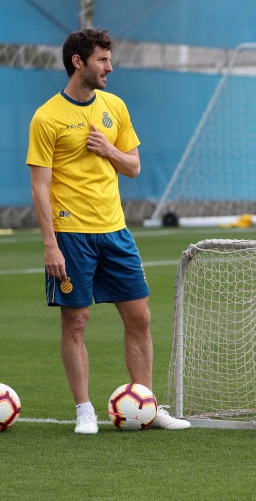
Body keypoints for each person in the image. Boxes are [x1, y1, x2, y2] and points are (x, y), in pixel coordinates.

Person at [26, 29, 190, 434]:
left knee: (140, 318)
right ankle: (84, 409)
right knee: (77, 321)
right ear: (78, 62)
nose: (110, 68)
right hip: (71, 235)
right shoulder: (47, 118)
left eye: (109, 59)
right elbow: (39, 188)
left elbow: (132, 167)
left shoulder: (114, 106)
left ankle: (145, 405)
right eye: (102, 60)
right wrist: (51, 246)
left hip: (116, 231)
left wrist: (108, 150)